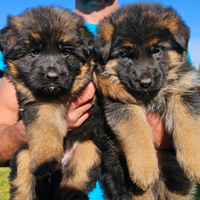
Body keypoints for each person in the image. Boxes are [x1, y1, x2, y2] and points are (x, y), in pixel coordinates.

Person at [0, 0, 173, 199]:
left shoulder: (157, 32)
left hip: (132, 180)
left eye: (66, 52)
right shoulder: (18, 46)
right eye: (34, 52)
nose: (51, 71)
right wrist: (34, 130)